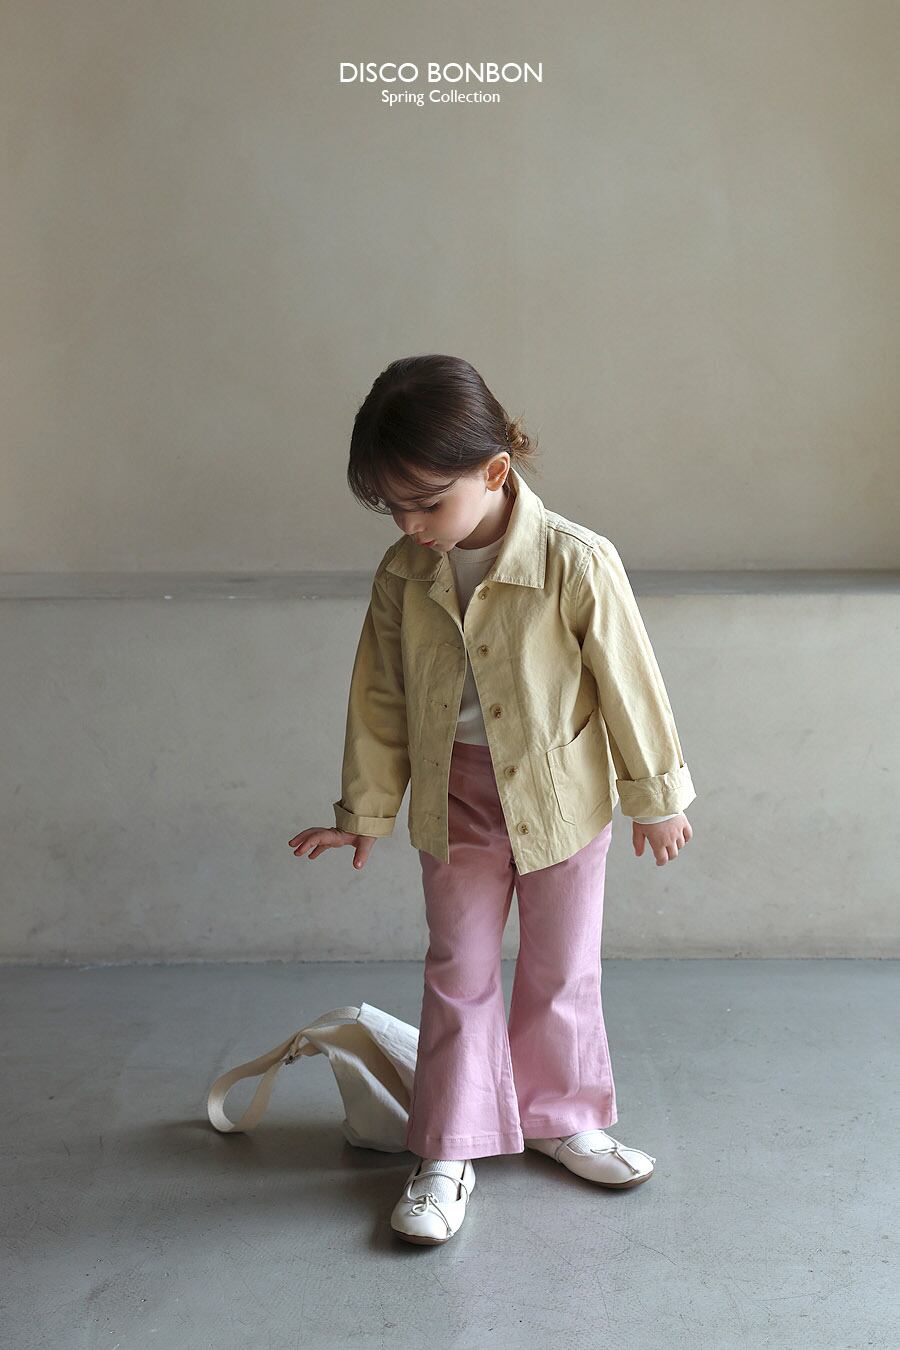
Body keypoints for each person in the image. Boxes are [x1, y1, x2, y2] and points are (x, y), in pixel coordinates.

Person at [288, 354, 696, 1246]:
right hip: (456, 802)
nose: (411, 524)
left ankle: (562, 1120)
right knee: (458, 971)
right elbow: (379, 697)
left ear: (495, 470)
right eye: (392, 508)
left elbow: (630, 684)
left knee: (561, 967)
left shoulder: (575, 561)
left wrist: (656, 798)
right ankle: (450, 1145)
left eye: (427, 503)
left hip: (563, 803)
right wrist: (363, 812)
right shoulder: (402, 573)